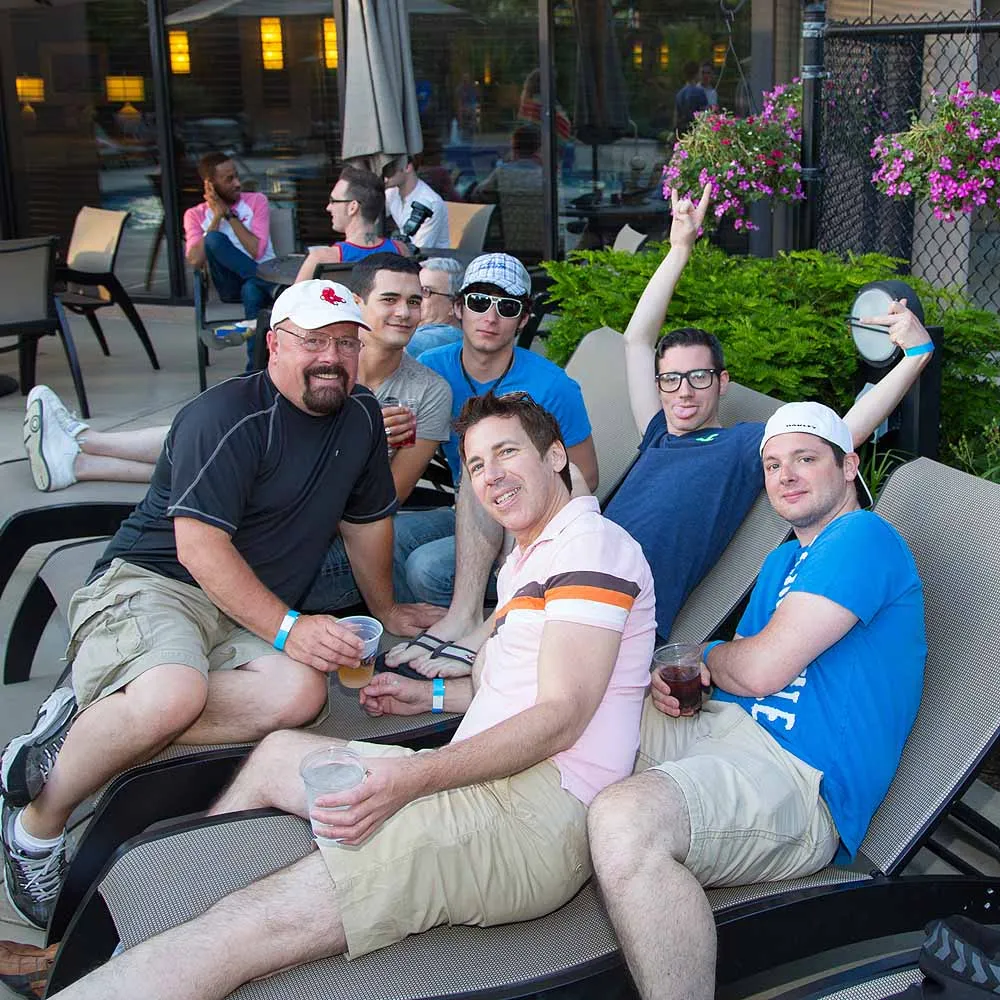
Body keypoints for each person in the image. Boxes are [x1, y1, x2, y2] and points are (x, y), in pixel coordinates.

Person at [42, 392, 657, 1000]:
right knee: (278, 754)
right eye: (475, 464)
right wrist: (431, 696)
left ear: (555, 457)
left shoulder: (588, 547)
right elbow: (522, 686)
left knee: (250, 928)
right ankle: (166, 923)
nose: (490, 475)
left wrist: (410, 780)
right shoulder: (531, 554)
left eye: (507, 453)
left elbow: (560, 716)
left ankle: (180, 948)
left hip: (530, 819)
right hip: (488, 780)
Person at [0, 279, 442, 930]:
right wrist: (289, 628)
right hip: (157, 581)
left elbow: (366, 523)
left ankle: (91, 712)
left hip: (245, 600)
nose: (331, 357)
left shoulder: (361, 418)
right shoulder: (224, 416)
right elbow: (199, 549)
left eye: (346, 343)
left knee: (301, 696)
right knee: (172, 696)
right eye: (313, 341)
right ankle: (34, 829)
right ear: (274, 346)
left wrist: (386, 608)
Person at [390, 188, 934, 674]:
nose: (683, 392)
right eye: (670, 379)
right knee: (495, 461)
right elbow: (637, 340)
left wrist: (914, 357)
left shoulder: (746, 444)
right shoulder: (657, 432)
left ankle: (481, 642)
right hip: (577, 556)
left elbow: (839, 432)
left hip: (622, 602)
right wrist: (678, 249)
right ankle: (477, 628)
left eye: (699, 377)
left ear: (722, 383)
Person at [587, 398, 927, 1000]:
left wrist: (708, 655)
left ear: (849, 466)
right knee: (586, 707)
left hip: (800, 784)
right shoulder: (782, 558)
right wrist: (700, 676)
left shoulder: (863, 538)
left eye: (805, 459)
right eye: (773, 465)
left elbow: (762, 668)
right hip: (726, 734)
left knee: (625, 818)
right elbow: (740, 669)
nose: (785, 475)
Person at [21, 256, 452, 499]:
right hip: (265, 469)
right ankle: (80, 453)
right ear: (356, 303)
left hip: (308, 500)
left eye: (415, 302)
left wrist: (369, 438)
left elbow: (390, 496)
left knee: (235, 455)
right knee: (223, 436)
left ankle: (81, 446)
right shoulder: (316, 365)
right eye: (390, 299)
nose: (404, 312)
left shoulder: (426, 391)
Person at [387, 253, 599, 674]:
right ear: (458, 308)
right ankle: (414, 629)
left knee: (426, 568)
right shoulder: (432, 368)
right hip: (465, 506)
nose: (490, 316)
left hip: (524, 518)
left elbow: (585, 475)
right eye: (480, 301)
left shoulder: (553, 386)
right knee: (390, 538)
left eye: (508, 306)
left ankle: (481, 624)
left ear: (523, 320)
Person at [183, 152, 276, 367]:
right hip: (231, 284)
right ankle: (277, 288)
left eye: (237, 176)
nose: (237, 184)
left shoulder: (256, 201)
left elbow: (256, 251)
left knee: (251, 289)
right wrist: (217, 217)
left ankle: (253, 371)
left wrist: (230, 216)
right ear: (210, 184)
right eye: (228, 179)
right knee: (213, 239)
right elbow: (195, 260)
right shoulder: (195, 215)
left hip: (258, 278)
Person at [293, 165, 408, 283]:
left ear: (352, 207)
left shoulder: (322, 258)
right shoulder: (401, 250)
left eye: (333, 201)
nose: (328, 207)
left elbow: (293, 295)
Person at [383, 158, 449, 251]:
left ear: (407, 167)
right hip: (403, 251)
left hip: (430, 257)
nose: (384, 177)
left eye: (389, 170)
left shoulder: (430, 203)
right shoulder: (392, 192)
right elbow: (371, 216)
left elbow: (417, 249)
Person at [406, 257, 464, 358]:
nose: (415, 297)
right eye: (415, 289)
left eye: (425, 290)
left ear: (454, 305)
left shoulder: (438, 338)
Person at [675, 61, 708, 136]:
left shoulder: (680, 93)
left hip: (682, 131)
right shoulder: (699, 92)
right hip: (695, 131)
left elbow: (676, 116)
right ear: (696, 74)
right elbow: (704, 114)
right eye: (700, 72)